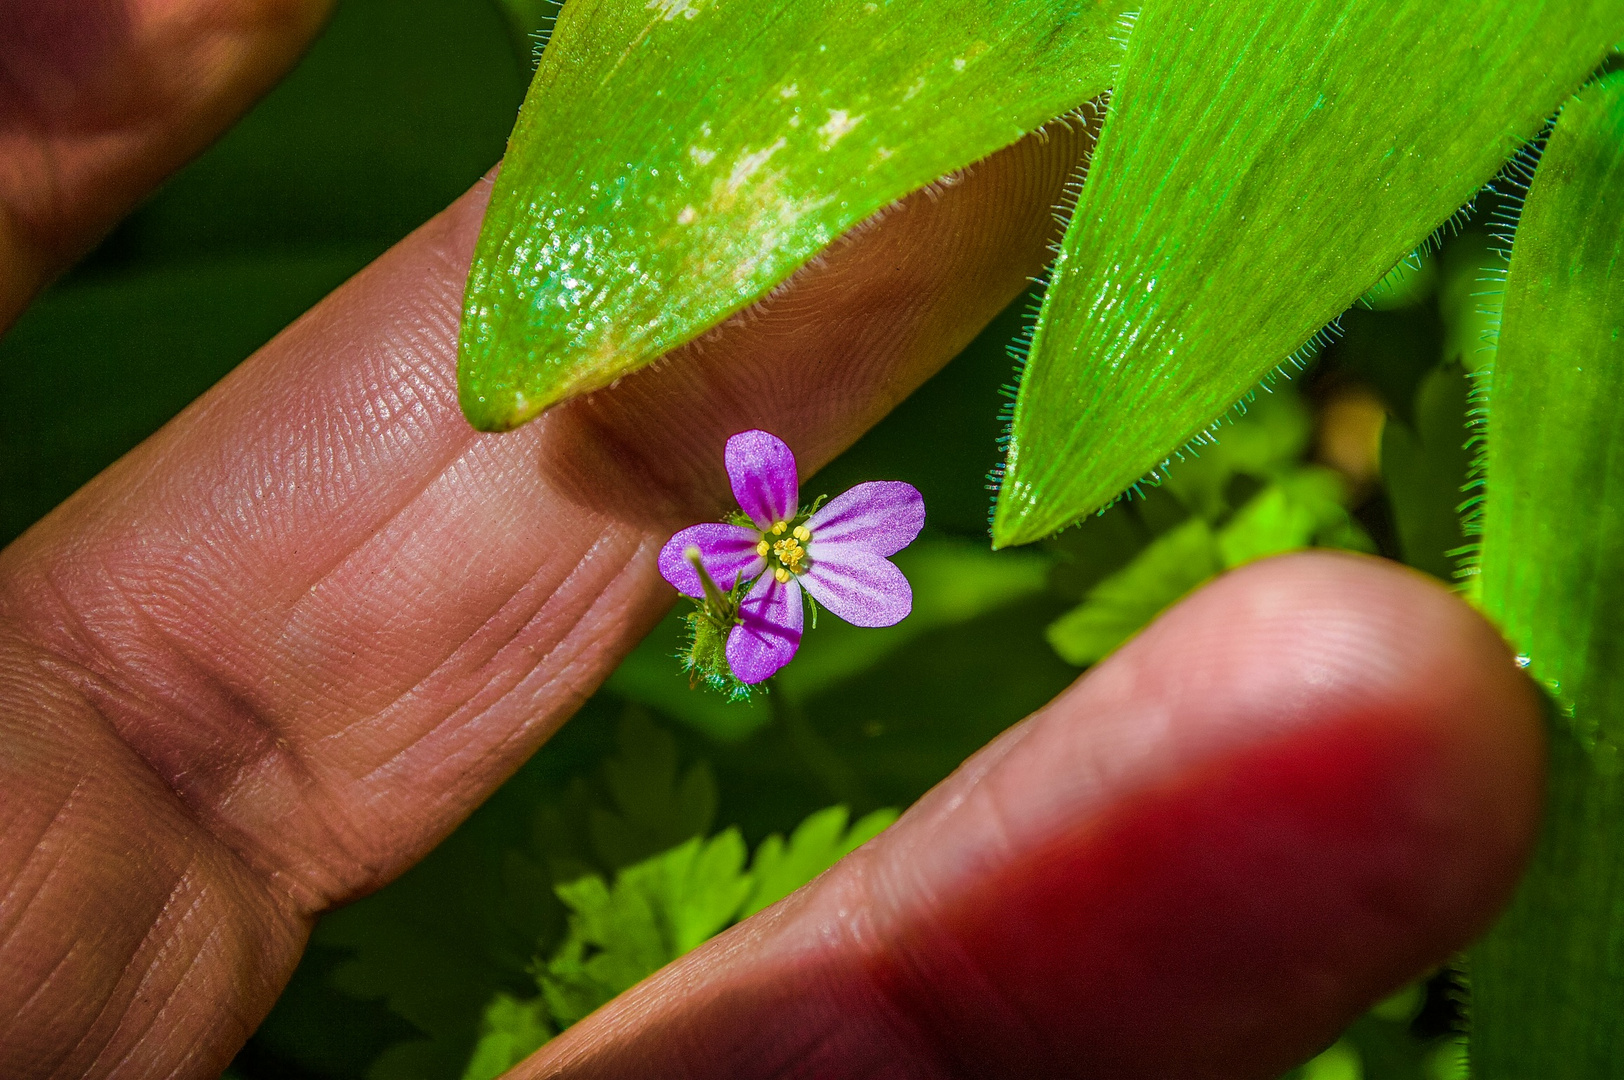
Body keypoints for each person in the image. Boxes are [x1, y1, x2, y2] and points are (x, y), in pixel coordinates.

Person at [0, 4, 1543, 1077]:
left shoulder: (758, 539)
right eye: (783, 548)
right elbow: (714, 559)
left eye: (792, 545)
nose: (789, 552)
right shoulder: (742, 543)